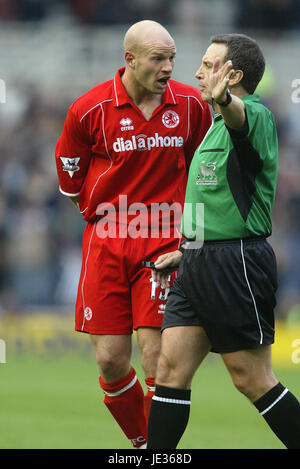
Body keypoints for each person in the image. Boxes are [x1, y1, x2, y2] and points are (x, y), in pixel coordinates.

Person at [55, 20, 211, 448]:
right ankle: (146, 444)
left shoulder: (193, 105)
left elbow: (204, 170)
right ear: (130, 59)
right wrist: (109, 217)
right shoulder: (88, 110)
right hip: (107, 241)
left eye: (172, 58)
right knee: (109, 360)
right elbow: (71, 184)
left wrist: (191, 231)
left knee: (157, 357)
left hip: (165, 242)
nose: (168, 67)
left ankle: (159, 454)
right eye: (159, 59)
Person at [147, 33, 300, 449]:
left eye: (208, 65)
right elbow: (208, 201)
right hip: (197, 261)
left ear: (233, 75)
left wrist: (226, 101)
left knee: (250, 378)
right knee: (170, 369)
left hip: (237, 263)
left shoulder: (255, 115)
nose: (197, 73)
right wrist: (185, 248)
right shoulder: (211, 129)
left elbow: (240, 119)